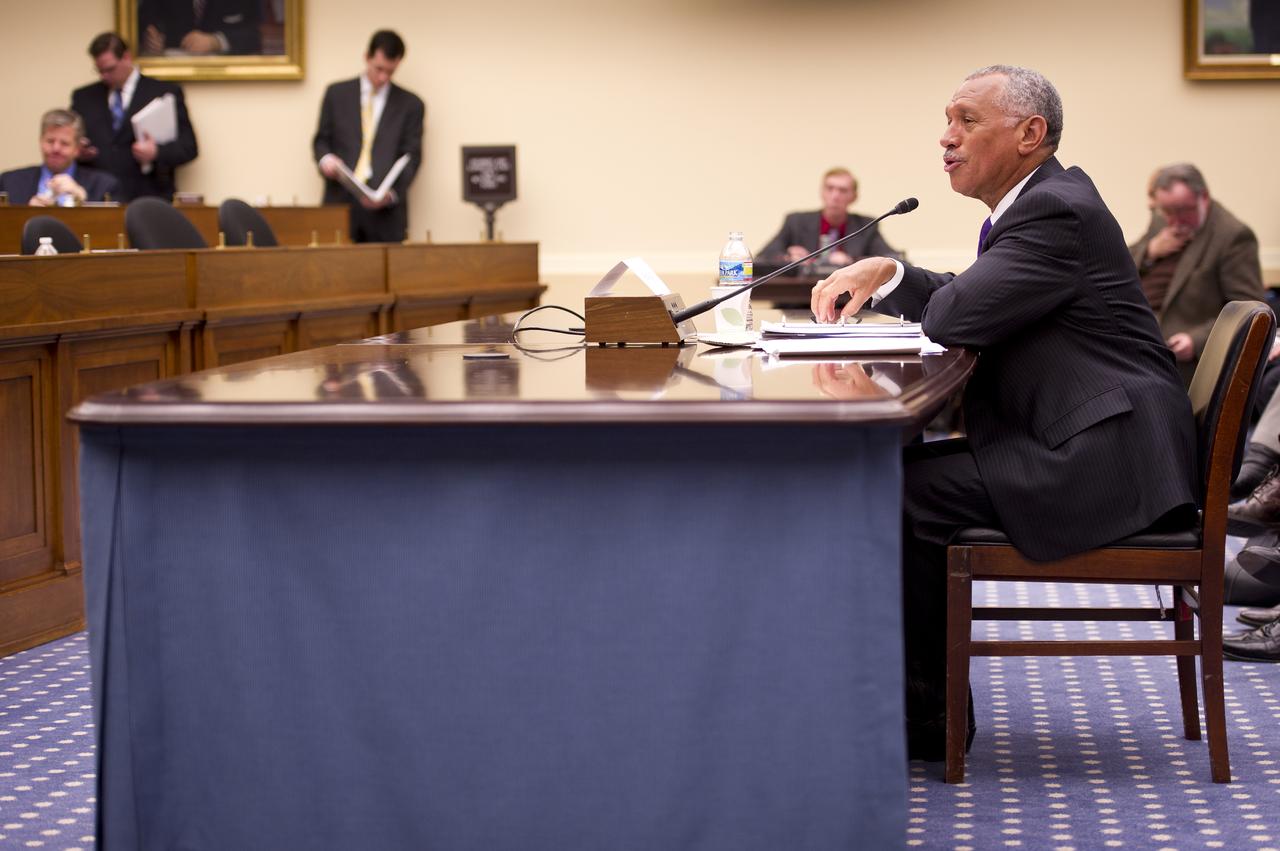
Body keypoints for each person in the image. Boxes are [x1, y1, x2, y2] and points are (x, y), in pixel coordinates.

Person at [810, 65, 1198, 759]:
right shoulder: (1042, 203)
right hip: (1091, 436)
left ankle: (927, 720)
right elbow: (972, 294)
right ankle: (915, 704)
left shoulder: (1056, 210)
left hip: (1105, 457)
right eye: (946, 120)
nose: (946, 137)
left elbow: (962, 309)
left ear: (1029, 132)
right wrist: (886, 271)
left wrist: (900, 279)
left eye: (965, 120)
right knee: (903, 471)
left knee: (904, 489)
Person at [1129, 163, 1265, 384]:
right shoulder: (1162, 219)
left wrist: (1197, 340)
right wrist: (1150, 251)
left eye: (1183, 211)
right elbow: (1119, 263)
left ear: (1204, 198)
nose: (1174, 221)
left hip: (1181, 354)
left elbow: (1249, 308)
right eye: (1167, 211)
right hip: (1137, 332)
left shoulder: (1233, 236)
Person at [312, 29, 425, 244]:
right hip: (340, 205)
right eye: (379, 69)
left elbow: (412, 157)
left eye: (390, 72)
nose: (383, 77)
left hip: (386, 217)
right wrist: (326, 159)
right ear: (367, 57)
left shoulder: (411, 105)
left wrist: (390, 194)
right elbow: (321, 141)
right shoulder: (336, 94)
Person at [69, 33, 199, 202]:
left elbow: (189, 147)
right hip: (98, 197)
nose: (104, 76)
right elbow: (68, 141)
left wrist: (156, 152)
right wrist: (78, 151)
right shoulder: (83, 97)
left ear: (126, 57)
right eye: (99, 71)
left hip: (148, 196)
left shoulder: (164, 92)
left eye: (110, 69)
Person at [758, 167, 903, 267]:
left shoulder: (866, 226)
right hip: (800, 299)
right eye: (830, 188)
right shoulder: (796, 221)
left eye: (843, 190)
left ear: (854, 197)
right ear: (822, 192)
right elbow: (763, 256)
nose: (835, 196)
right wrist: (788, 258)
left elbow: (893, 258)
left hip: (849, 300)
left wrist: (851, 261)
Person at [0, 109, 118, 206]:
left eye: (64, 143)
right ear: (41, 141)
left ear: (77, 148)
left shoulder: (104, 185)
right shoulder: (9, 182)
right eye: (50, 141)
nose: (56, 149)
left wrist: (83, 202)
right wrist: (26, 213)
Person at [137, 0, 262, 55]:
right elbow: (143, 20)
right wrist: (150, 38)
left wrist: (216, 41)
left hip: (226, 76)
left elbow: (255, 35)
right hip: (171, 72)